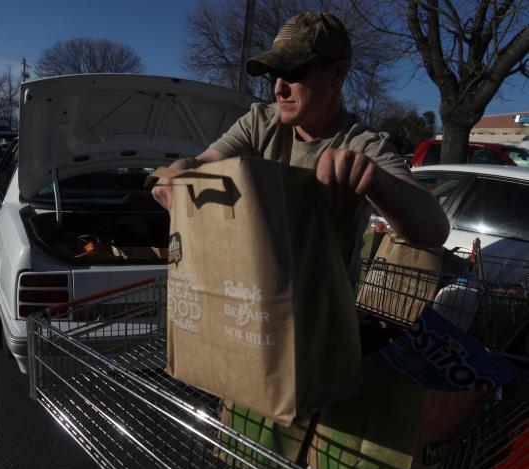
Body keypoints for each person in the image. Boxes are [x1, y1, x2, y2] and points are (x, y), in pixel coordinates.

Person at [152, 11, 450, 282]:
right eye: (274, 73)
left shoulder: (361, 143)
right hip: (253, 304)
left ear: (337, 73)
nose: (278, 88)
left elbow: (435, 230)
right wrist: (175, 172)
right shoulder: (260, 123)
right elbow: (201, 163)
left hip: (321, 324)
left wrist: (376, 180)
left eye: (293, 72)